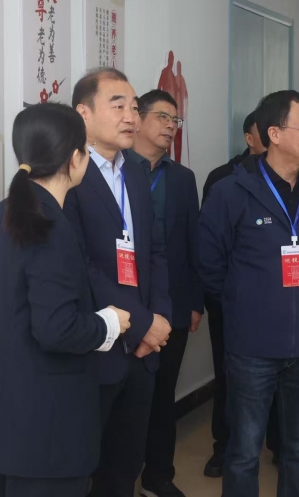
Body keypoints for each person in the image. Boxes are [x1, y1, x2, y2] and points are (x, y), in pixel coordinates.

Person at [0, 103, 132, 497]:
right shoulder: (48, 223)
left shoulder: (4, 213)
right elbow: (57, 329)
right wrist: (110, 323)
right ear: (75, 159)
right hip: (40, 430)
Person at [198, 90, 299, 497]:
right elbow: (209, 264)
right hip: (252, 346)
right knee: (244, 451)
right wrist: (245, 302)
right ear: (274, 134)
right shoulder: (231, 191)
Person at [64, 68, 173, 497]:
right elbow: (81, 265)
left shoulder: (135, 173)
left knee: (124, 467)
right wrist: (142, 323)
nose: (131, 116)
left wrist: (159, 318)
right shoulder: (68, 175)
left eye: (134, 107)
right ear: (83, 113)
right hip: (98, 350)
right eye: (118, 105)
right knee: (85, 469)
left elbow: (155, 251)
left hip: (143, 351)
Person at [128, 90, 204, 497]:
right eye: (162, 117)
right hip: (123, 305)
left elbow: (193, 243)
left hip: (171, 304)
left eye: (175, 120)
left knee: (162, 395)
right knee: (123, 397)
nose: (170, 126)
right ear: (137, 118)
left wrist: (194, 302)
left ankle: (158, 477)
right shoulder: (116, 168)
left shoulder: (182, 178)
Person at [200, 111, 265, 478]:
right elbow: (209, 247)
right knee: (229, 376)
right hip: (230, 301)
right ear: (249, 138)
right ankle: (223, 447)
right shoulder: (223, 179)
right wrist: (223, 295)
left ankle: (275, 442)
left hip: (274, 300)